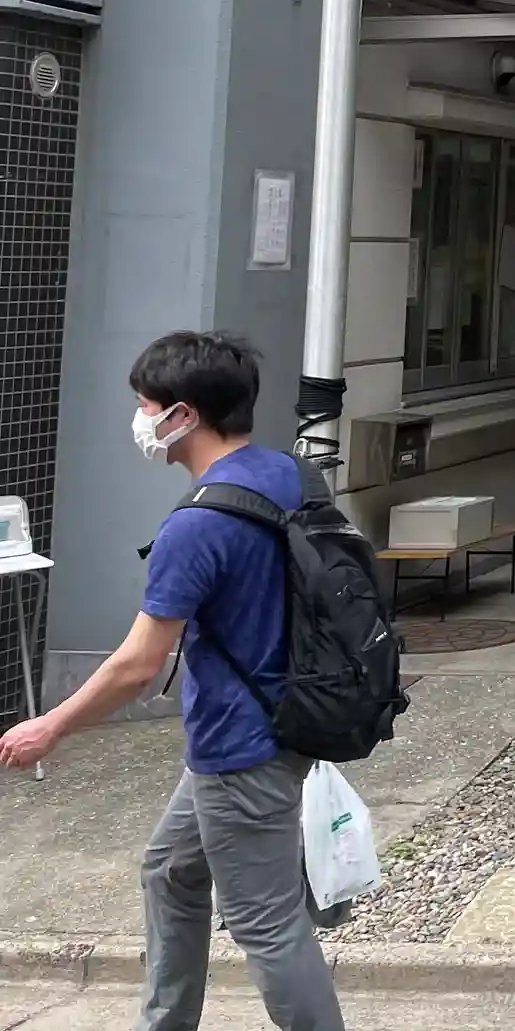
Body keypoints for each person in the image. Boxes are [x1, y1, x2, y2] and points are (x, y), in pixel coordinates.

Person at [0, 331, 346, 1031]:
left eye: (145, 405)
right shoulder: (289, 474)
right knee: (171, 870)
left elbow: (138, 664)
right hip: (288, 717)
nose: (139, 419)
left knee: (267, 923)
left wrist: (50, 725)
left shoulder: (196, 525)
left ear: (182, 415)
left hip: (240, 746)